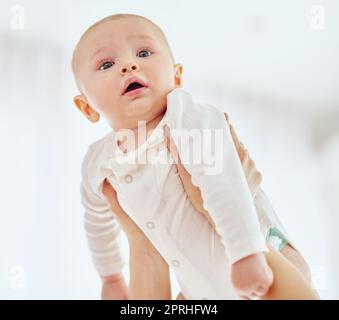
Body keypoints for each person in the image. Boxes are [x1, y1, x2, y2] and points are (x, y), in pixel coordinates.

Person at [72, 13, 316, 299]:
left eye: (144, 52)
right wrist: (111, 276)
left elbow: (222, 182)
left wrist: (246, 252)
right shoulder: (98, 161)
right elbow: (97, 221)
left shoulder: (188, 116)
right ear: (87, 107)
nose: (129, 65)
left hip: (260, 251)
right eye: (106, 64)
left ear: (177, 77)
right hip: (199, 286)